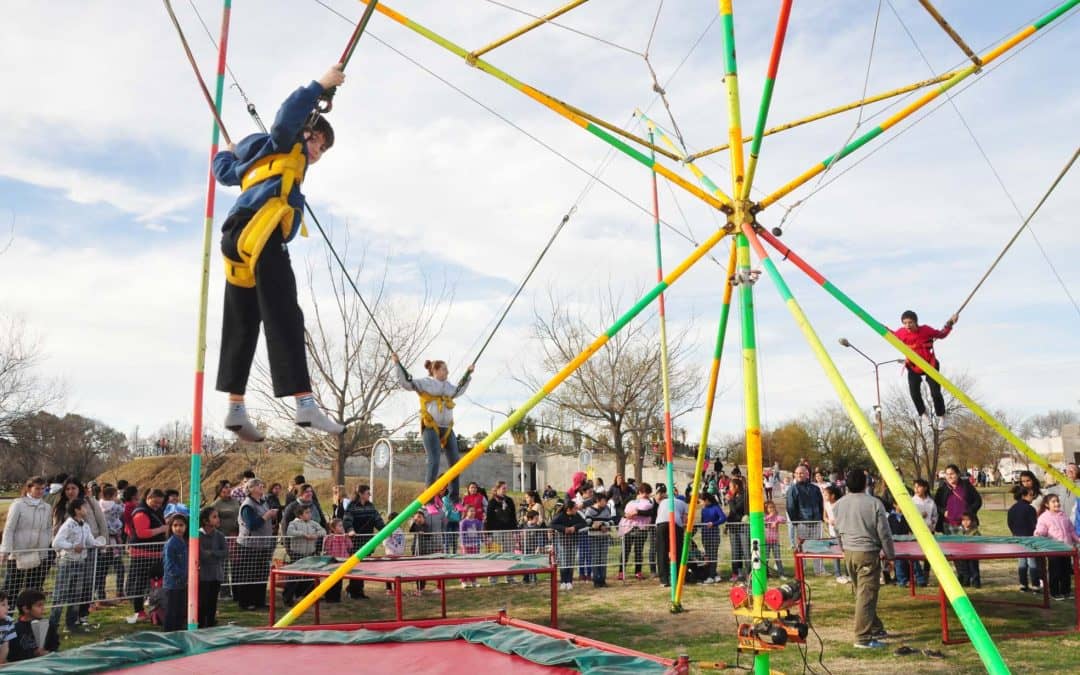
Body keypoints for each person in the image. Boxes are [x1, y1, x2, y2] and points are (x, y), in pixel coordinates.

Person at [213, 65, 348, 442]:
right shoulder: (285, 141)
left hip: (235, 236)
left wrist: (226, 154)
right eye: (318, 143)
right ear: (307, 132)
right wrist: (321, 84)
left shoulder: (250, 163)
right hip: (263, 229)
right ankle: (304, 403)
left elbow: (223, 173)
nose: (318, 153)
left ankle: (235, 409)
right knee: (284, 312)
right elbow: (288, 113)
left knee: (243, 320)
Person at [394, 354, 473, 502]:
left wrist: (468, 374)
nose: (447, 372)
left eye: (447, 370)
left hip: (447, 428)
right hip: (431, 426)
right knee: (434, 459)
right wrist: (398, 365)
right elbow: (406, 383)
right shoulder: (425, 383)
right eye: (444, 369)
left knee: (456, 462)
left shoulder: (449, 386)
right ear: (435, 371)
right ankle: (429, 496)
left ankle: (454, 496)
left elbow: (459, 390)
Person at [833, 468, 894, 649]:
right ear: (866, 483)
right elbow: (884, 532)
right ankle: (863, 639)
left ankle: (875, 627)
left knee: (862, 593)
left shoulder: (839, 504)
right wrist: (890, 555)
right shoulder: (874, 503)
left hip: (849, 553)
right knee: (866, 596)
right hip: (867, 552)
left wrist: (843, 548)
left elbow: (836, 529)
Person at [891, 309, 957, 430]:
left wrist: (950, 324)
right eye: (905, 323)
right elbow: (890, 334)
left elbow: (941, 334)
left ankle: (942, 415)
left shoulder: (926, 330)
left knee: (935, 392)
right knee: (914, 393)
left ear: (916, 322)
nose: (907, 326)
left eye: (910, 322)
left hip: (930, 364)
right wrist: (880, 327)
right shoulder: (901, 333)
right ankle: (923, 413)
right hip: (913, 366)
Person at [50, 497, 96, 634]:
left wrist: (98, 543)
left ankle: (71, 624)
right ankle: (53, 625)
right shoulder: (68, 525)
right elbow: (56, 543)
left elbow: (90, 541)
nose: (86, 510)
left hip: (81, 563)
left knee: (76, 595)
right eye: (84, 507)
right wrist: (72, 546)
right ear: (77, 510)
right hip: (67, 563)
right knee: (60, 594)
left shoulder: (85, 525)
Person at [1, 477, 52, 599]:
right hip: (18, 553)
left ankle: (29, 616)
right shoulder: (18, 504)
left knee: (32, 589)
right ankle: (6, 615)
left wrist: (44, 550)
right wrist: (6, 550)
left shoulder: (47, 507)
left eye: (43, 489)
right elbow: (9, 528)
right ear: (29, 488)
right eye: (37, 488)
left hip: (37, 553)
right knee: (12, 587)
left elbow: (48, 529)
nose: (40, 491)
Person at [235, 479, 278, 610]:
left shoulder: (263, 502)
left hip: (263, 544)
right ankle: (246, 602)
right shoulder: (247, 506)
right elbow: (252, 525)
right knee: (248, 575)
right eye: (259, 485)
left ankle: (259, 601)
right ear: (251, 489)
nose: (262, 486)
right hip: (249, 545)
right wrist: (267, 516)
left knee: (261, 574)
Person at [126, 489, 168, 622]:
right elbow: (142, 533)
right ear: (148, 498)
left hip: (156, 552)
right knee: (140, 582)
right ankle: (139, 610)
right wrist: (161, 529)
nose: (157, 505)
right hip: (142, 554)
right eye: (155, 502)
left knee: (156, 583)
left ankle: (156, 608)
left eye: (160, 503)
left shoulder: (155, 511)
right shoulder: (141, 513)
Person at [343, 485, 384, 600]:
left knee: (364, 567)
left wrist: (385, 530)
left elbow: (377, 520)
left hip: (368, 541)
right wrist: (351, 530)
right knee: (357, 566)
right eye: (367, 493)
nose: (369, 495)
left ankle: (357, 590)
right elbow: (347, 520)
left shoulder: (371, 506)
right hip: (355, 541)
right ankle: (354, 591)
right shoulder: (352, 506)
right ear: (360, 494)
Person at [1035, 494, 1079, 600]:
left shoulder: (1064, 515)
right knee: (1055, 572)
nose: (1057, 503)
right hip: (1053, 549)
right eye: (1053, 501)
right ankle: (1054, 592)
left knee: (1066, 571)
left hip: (1066, 549)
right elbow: (1041, 530)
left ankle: (1066, 591)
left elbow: (1071, 530)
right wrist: (1039, 533)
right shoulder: (1044, 517)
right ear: (1047, 504)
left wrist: (1077, 539)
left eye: (1057, 501)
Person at [786, 465, 825, 577]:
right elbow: (790, 507)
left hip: (816, 521)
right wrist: (796, 522)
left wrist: (820, 517)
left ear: (807, 474)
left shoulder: (815, 488)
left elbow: (820, 504)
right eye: (797, 473)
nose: (799, 475)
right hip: (802, 523)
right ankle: (801, 569)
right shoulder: (792, 489)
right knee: (801, 547)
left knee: (817, 546)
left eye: (801, 473)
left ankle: (819, 570)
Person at [283, 504, 326, 605]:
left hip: (310, 553)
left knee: (310, 576)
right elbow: (290, 532)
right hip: (297, 554)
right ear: (300, 515)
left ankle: (309, 596)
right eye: (307, 512)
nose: (310, 514)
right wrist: (304, 535)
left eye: (310, 512)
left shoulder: (313, 523)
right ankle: (288, 598)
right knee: (294, 577)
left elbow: (323, 531)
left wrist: (315, 535)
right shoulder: (293, 523)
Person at [198, 507, 228, 628]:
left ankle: (210, 623)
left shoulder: (219, 535)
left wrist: (212, 552)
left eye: (217, 516)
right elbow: (201, 554)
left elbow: (225, 552)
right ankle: (201, 623)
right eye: (214, 517)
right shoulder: (198, 535)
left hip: (216, 573)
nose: (217, 519)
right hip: (203, 574)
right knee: (203, 601)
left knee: (212, 601)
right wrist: (214, 553)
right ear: (205, 521)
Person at [618, 484, 655, 581]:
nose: (646, 495)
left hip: (641, 528)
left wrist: (638, 512)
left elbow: (651, 512)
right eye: (644, 493)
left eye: (648, 493)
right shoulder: (630, 498)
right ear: (639, 492)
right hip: (627, 527)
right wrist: (625, 515)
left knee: (639, 551)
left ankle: (638, 571)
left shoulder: (650, 501)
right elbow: (620, 508)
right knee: (625, 550)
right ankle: (621, 572)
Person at [161, 504, 189, 632]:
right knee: (172, 612)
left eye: (181, 525)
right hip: (173, 583)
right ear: (171, 527)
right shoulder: (171, 544)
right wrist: (183, 575)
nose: (178, 528)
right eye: (175, 525)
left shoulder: (185, 542)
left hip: (182, 583)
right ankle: (169, 633)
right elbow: (170, 565)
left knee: (180, 611)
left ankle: (178, 632)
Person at [934, 464, 982, 534]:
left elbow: (978, 501)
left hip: (967, 524)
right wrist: (943, 512)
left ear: (958, 474)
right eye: (947, 474)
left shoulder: (966, 486)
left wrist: (970, 512)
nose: (949, 476)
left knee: (969, 544)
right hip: (948, 525)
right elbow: (936, 505)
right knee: (951, 545)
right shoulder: (942, 489)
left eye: (952, 474)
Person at [551, 501, 587, 591]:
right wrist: (564, 529)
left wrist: (574, 527)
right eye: (575, 508)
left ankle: (569, 581)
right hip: (562, 542)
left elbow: (584, 523)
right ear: (569, 509)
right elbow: (552, 524)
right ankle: (563, 581)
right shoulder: (560, 515)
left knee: (571, 562)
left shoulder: (576, 515)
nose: (576, 509)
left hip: (574, 542)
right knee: (563, 562)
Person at [583, 492, 615, 588]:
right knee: (596, 558)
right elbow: (588, 522)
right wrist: (600, 526)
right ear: (598, 501)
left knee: (603, 558)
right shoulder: (589, 510)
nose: (605, 502)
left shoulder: (607, 509)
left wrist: (605, 525)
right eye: (604, 500)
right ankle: (596, 580)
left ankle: (603, 580)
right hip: (594, 537)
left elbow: (612, 521)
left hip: (604, 537)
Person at [8, 590, 50, 662]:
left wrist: (48, 652)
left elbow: (54, 647)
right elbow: (12, 656)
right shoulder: (14, 630)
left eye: (43, 605)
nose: (43, 608)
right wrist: (33, 654)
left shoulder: (48, 625)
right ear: (26, 609)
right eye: (39, 605)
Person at [910, 479, 937, 586]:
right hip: (916, 532)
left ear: (925, 488)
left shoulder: (931, 502)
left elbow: (935, 515)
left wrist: (932, 525)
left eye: (919, 487)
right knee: (915, 555)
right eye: (915, 487)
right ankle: (918, 576)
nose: (916, 489)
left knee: (929, 555)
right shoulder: (912, 501)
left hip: (929, 531)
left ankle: (926, 576)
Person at [322, 519, 352, 602]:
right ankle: (329, 597)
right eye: (340, 526)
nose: (342, 527)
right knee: (331, 580)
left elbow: (350, 546)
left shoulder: (345, 536)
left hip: (342, 560)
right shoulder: (329, 537)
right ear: (333, 528)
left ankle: (336, 597)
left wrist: (347, 537)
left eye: (342, 525)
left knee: (339, 580)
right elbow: (327, 548)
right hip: (333, 561)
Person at [726, 478, 749, 583]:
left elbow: (736, 510)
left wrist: (730, 500)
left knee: (746, 550)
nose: (729, 489)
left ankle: (749, 573)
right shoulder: (734, 496)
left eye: (730, 487)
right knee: (735, 551)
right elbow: (731, 513)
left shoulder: (744, 496)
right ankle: (736, 572)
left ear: (736, 487)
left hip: (742, 527)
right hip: (733, 527)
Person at [956, 512, 982, 588]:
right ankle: (965, 582)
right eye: (963, 520)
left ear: (972, 521)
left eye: (968, 520)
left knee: (974, 569)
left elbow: (978, 542)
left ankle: (976, 583)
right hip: (962, 554)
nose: (965, 522)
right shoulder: (959, 531)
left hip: (972, 554)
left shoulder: (975, 531)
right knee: (964, 569)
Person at [763, 501, 787, 580]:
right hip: (766, 541)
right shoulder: (765, 516)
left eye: (773, 507)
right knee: (765, 558)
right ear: (766, 509)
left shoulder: (776, 516)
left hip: (775, 541)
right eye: (769, 508)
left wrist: (776, 521)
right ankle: (765, 574)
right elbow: (762, 521)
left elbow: (783, 520)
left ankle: (781, 574)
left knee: (777, 558)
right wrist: (769, 516)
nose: (772, 509)